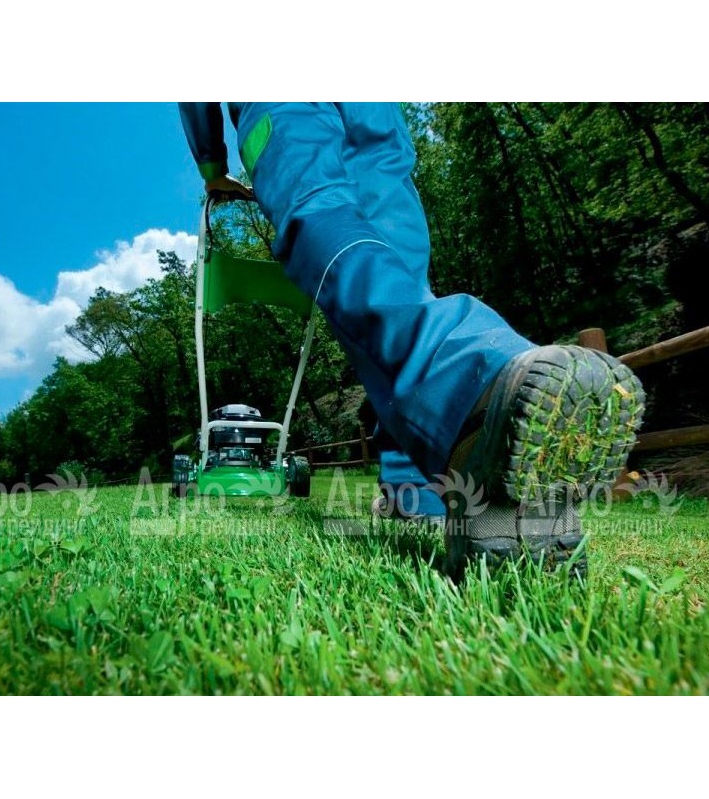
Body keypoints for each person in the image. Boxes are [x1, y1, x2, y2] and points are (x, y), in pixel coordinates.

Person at [178, 102, 645, 577]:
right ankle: (418, 494)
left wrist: (212, 166)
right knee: (396, 272)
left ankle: (472, 391)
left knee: (322, 216)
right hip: (375, 112)